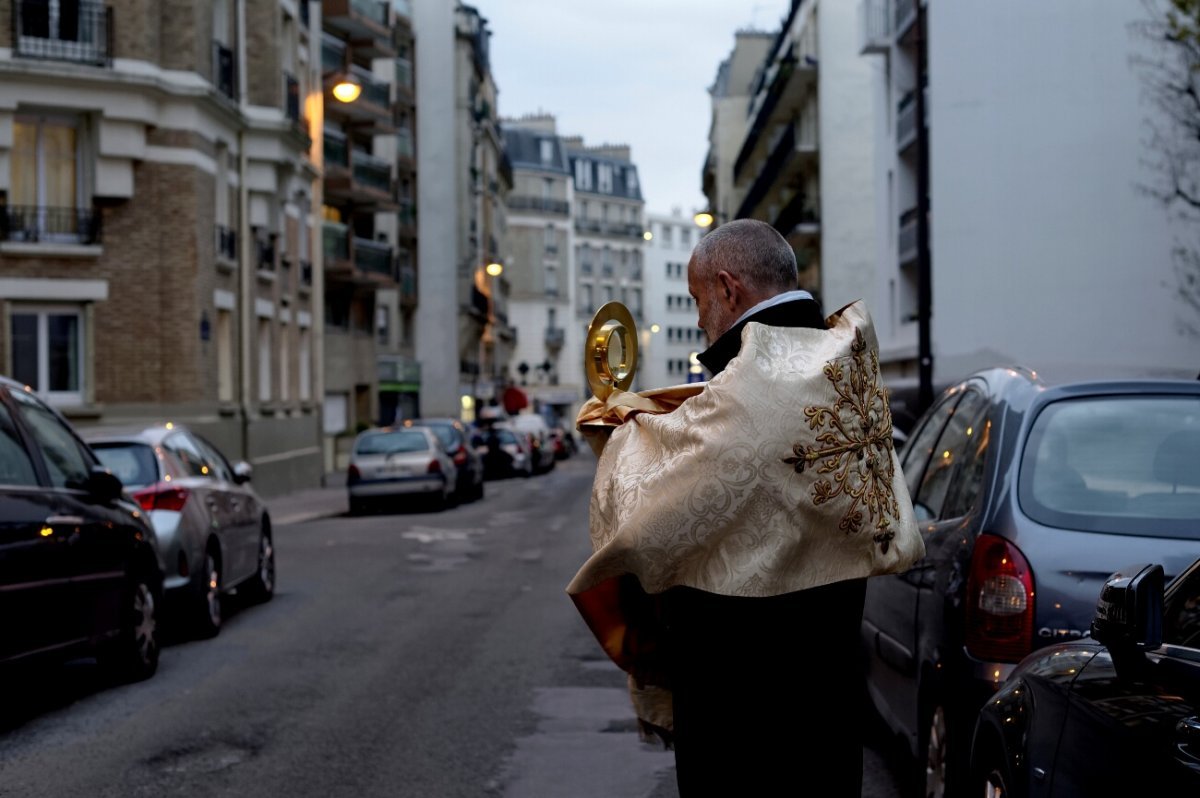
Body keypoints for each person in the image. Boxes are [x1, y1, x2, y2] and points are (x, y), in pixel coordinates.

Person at [567, 219, 925, 797]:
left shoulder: (750, 387)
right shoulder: (840, 361)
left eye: (698, 300)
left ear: (728, 289)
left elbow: (643, 515)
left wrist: (614, 438)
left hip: (742, 720)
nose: (701, 319)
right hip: (827, 714)